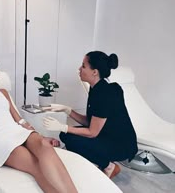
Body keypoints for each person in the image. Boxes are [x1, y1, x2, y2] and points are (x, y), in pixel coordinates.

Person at [0, 55, 78, 193]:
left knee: (45, 146)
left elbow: (19, 120)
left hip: (17, 131)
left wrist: (40, 136)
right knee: (37, 166)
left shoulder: (2, 92)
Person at [43, 51, 138, 179]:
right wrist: (68, 110)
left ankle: (109, 166)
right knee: (66, 135)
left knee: (72, 138)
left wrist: (63, 126)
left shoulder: (104, 94)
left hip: (120, 145)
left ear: (95, 71)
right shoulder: (97, 89)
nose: (79, 69)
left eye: (83, 66)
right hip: (106, 136)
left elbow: (92, 132)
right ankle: (100, 160)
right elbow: (90, 122)